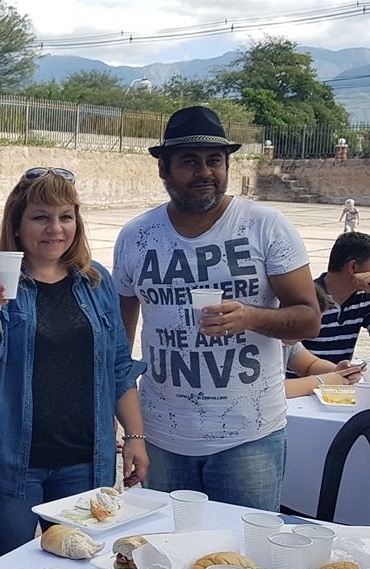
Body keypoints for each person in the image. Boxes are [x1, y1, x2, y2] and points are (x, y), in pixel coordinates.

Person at [114, 105, 320, 511]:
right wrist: (130, 430)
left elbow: (309, 318)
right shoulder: (136, 237)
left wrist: (252, 316)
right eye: (189, 162)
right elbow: (118, 346)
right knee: (166, 557)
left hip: (250, 437)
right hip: (163, 436)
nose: (205, 172)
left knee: (245, 561)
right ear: (163, 170)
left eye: (215, 160)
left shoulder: (265, 225)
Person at [0, 167, 148, 555]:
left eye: (65, 216)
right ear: (18, 223)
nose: (54, 228)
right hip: (7, 460)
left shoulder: (96, 282)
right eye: (40, 217)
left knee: (81, 564)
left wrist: (136, 438)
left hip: (82, 459)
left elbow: (119, 367)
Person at [300, 232, 370, 366]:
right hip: (302, 383)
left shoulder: (364, 297)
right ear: (353, 267)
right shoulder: (309, 298)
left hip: (339, 384)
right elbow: (288, 351)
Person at [284, 286, 363, 398]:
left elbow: (310, 366)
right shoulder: (260, 344)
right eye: (306, 326)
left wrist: (338, 372)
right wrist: (321, 381)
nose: (311, 335)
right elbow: (272, 390)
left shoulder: (286, 342)